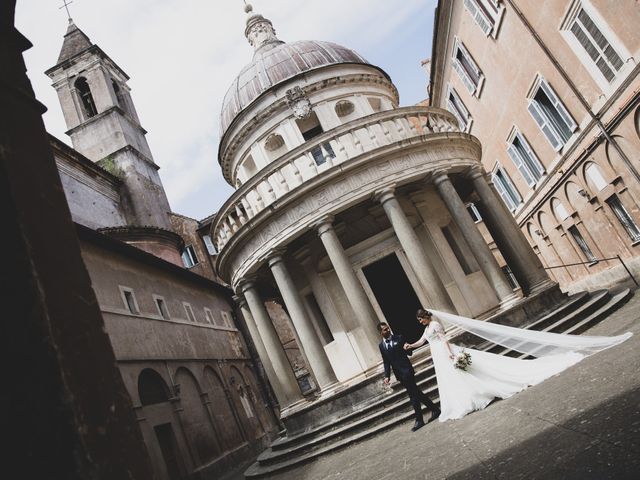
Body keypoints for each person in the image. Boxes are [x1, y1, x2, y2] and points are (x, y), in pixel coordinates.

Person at [404, 308, 630, 422]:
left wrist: (451, 354)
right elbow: (422, 342)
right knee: (452, 381)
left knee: (462, 374)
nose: (421, 323)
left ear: (425, 317)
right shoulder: (426, 329)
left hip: (445, 355)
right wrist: (410, 347)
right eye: (420, 322)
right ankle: (464, 400)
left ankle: (471, 398)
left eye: (421, 320)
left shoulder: (435, 324)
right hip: (438, 359)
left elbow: (444, 340)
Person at [377, 322, 440, 431]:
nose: (388, 330)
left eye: (388, 328)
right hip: (399, 375)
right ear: (380, 332)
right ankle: (434, 409)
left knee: (413, 395)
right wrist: (387, 376)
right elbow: (386, 362)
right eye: (385, 330)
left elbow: (409, 352)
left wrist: (407, 347)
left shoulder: (399, 337)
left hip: (407, 370)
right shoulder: (381, 346)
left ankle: (419, 420)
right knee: (416, 392)